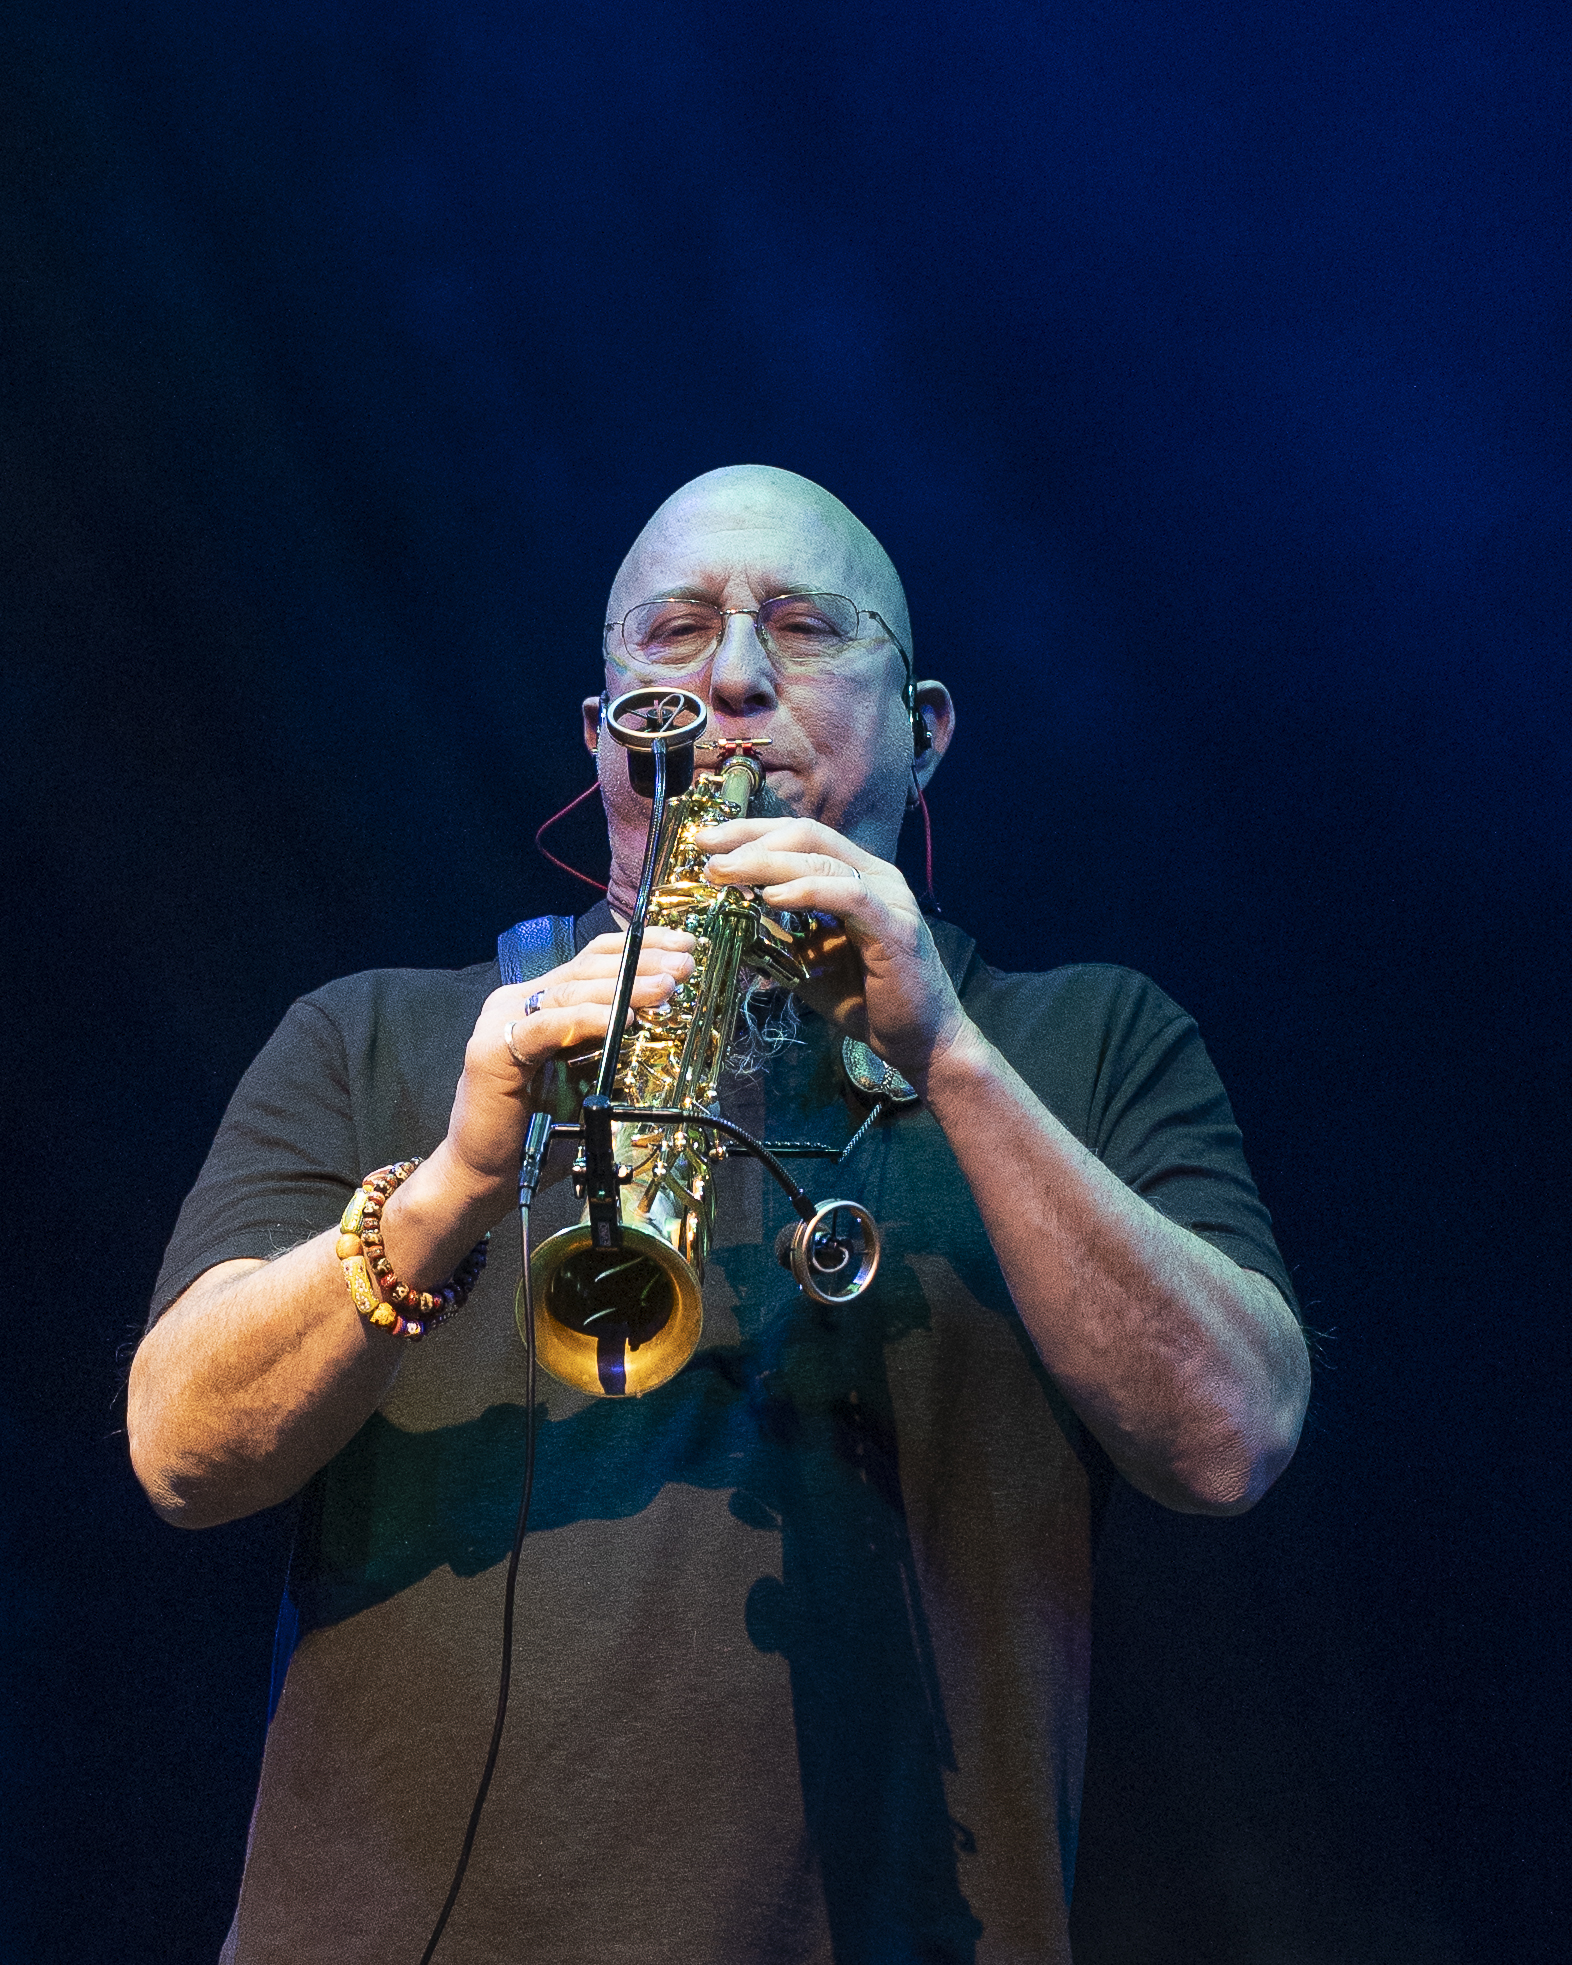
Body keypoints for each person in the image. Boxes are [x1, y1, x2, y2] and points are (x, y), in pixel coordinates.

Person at [129, 465, 1310, 1965]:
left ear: (927, 730)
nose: (737, 679)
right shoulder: (373, 1040)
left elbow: (1232, 1435)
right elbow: (178, 1447)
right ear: (606, 730)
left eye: (807, 630)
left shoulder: (1085, 1046)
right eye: (677, 634)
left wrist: (950, 1054)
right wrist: (451, 1190)